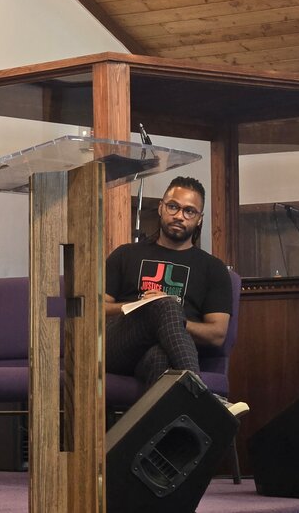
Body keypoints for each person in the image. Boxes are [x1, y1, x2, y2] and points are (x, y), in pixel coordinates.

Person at [104, 175, 249, 416]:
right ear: (161, 207)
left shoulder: (212, 269)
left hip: (162, 355)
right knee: (163, 304)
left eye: (189, 211)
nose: (180, 215)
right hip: (119, 349)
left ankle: (154, 450)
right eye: (173, 206)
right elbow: (93, 310)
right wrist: (142, 307)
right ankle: (204, 398)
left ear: (199, 219)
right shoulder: (125, 254)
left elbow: (216, 334)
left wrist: (170, 322)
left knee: (161, 359)